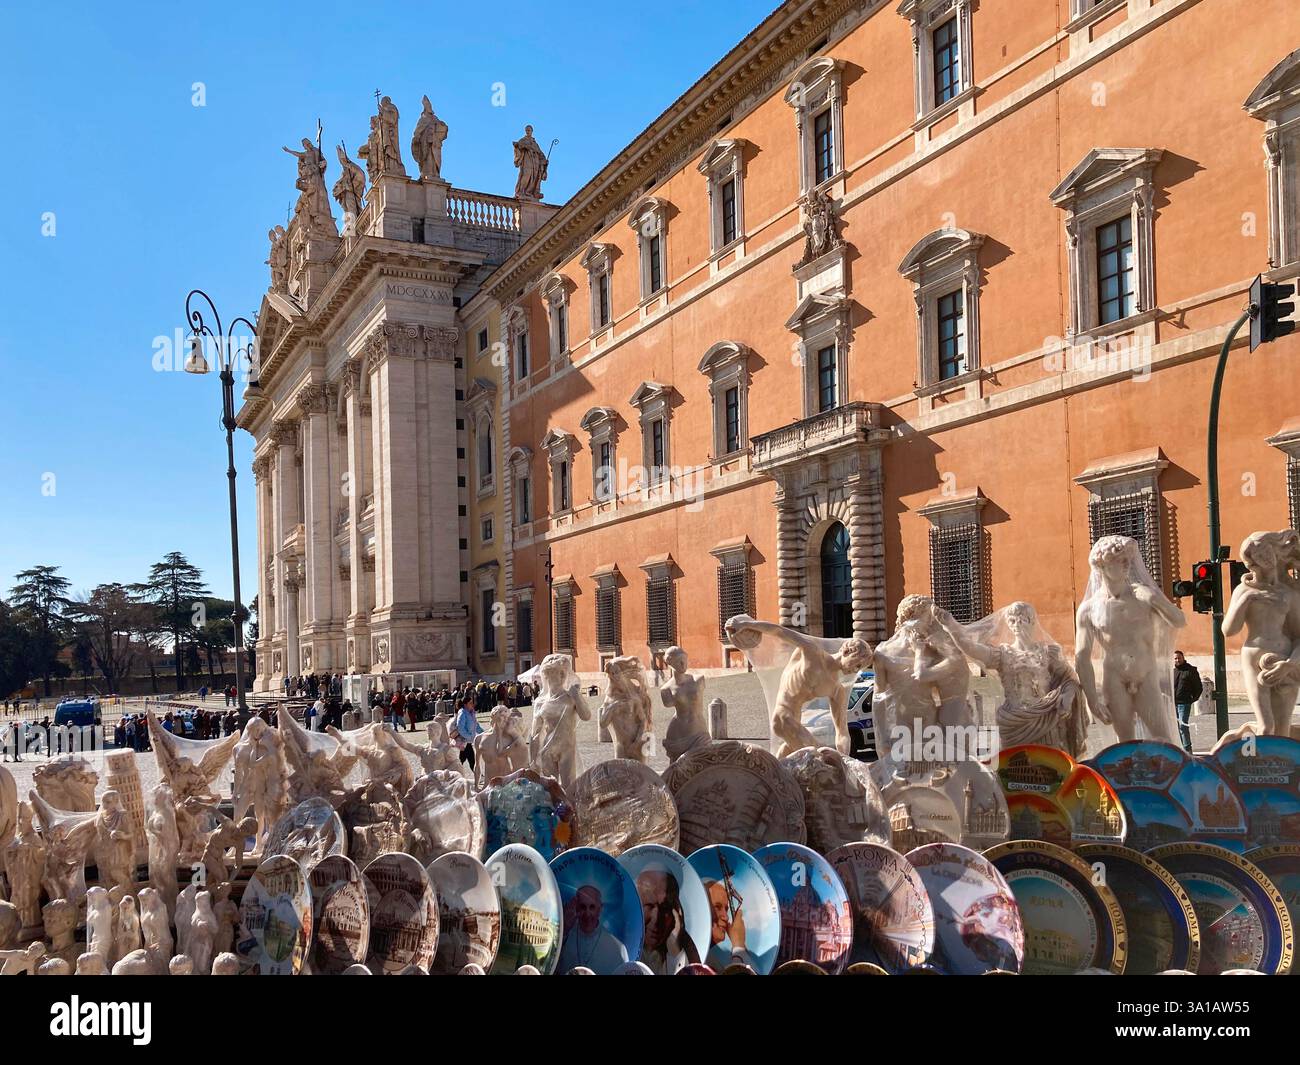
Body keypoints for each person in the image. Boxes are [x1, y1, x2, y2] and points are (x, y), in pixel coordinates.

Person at [557, 886, 628, 974]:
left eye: (592, 907)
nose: (587, 914)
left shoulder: (618, 948)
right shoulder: (564, 937)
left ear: (600, 909)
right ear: (577, 908)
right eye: (583, 907)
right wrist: (564, 931)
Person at [1172, 650, 1203, 753]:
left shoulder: (1190, 671)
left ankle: (1187, 750)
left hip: (1184, 704)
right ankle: (1179, 749)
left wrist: (1191, 699)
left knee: (1183, 726)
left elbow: (1198, 688)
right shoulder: (1173, 671)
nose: (1177, 660)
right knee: (1176, 727)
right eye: (1175, 658)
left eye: (1179, 658)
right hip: (1173, 704)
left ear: (1183, 658)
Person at [453, 693, 482, 771]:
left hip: (468, 741)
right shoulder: (462, 713)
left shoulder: (471, 713)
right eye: (470, 703)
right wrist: (469, 736)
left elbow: (476, 726)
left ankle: (456, 772)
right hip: (464, 740)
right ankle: (477, 774)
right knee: (471, 759)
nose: (473, 704)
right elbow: (460, 728)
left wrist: (483, 733)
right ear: (465, 704)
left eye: (472, 702)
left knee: (462, 758)